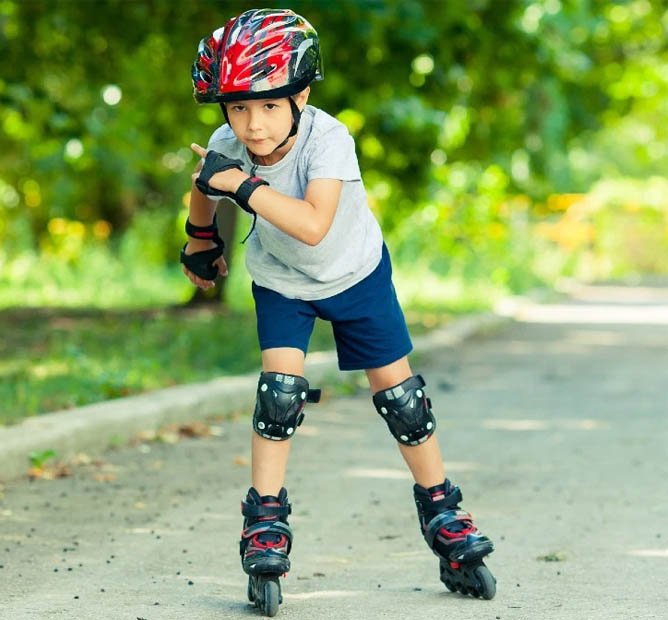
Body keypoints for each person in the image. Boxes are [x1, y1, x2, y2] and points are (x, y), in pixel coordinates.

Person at [179, 8, 496, 605]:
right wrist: (201, 242)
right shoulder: (228, 142)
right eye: (238, 107)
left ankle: (444, 512)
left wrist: (240, 187)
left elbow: (314, 226)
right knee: (278, 393)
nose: (252, 126)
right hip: (282, 282)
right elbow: (203, 184)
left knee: (403, 401)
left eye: (269, 106)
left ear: (300, 95)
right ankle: (264, 521)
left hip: (355, 272)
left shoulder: (328, 140)